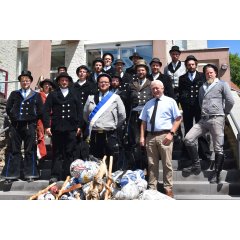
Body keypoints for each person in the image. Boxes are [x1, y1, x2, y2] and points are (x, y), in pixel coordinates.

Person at [183, 64, 235, 183]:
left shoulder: (222, 84)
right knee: (188, 138)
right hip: (204, 120)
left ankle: (217, 174)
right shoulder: (202, 87)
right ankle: (196, 164)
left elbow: (230, 101)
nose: (209, 74)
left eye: (211, 72)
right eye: (207, 73)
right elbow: (201, 102)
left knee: (218, 148)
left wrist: (224, 113)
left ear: (215, 73)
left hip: (217, 118)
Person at [139, 80, 182, 198]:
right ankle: (152, 188)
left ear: (163, 88)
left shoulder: (170, 101)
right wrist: (142, 137)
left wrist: (171, 133)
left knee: (167, 164)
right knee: (152, 164)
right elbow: (143, 122)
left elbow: (178, 118)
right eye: (153, 89)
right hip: (150, 137)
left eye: (158, 88)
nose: (155, 90)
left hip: (165, 136)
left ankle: (168, 188)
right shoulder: (148, 103)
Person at [1, 70, 43, 183]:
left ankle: (30, 174)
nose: (25, 82)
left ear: (30, 82)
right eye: (23, 80)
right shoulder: (14, 94)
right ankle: (11, 175)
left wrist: (33, 119)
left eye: (27, 80)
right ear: (20, 82)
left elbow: (40, 111)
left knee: (30, 150)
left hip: (30, 125)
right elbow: (9, 108)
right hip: (16, 125)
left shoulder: (36, 95)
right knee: (14, 149)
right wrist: (15, 117)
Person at [43, 72, 83, 183]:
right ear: (59, 82)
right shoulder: (53, 94)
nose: (64, 82)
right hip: (57, 128)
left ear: (68, 82)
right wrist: (47, 126)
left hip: (71, 128)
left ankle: (68, 175)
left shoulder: (74, 93)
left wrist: (79, 125)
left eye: (66, 80)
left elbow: (80, 110)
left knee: (70, 152)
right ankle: (55, 175)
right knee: (57, 152)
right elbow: (45, 111)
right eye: (62, 80)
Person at [83, 73, 126, 171]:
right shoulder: (91, 98)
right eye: (101, 82)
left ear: (110, 84)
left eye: (106, 82)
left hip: (110, 133)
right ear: (98, 84)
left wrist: (114, 125)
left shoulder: (115, 98)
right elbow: (85, 114)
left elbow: (122, 115)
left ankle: (110, 182)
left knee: (112, 159)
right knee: (95, 160)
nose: (103, 84)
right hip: (94, 134)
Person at [178, 55, 211, 163]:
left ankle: (204, 153)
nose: (191, 66)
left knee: (201, 129)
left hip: (199, 107)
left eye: (192, 64)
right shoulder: (182, 78)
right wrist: (183, 102)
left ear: (196, 65)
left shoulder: (202, 76)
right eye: (188, 64)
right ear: (186, 66)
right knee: (187, 129)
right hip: (187, 107)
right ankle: (187, 153)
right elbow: (181, 92)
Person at [128, 59, 153, 170]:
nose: (141, 72)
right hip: (134, 116)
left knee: (147, 141)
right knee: (136, 141)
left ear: (146, 71)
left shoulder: (151, 84)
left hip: (147, 116)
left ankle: (148, 167)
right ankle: (137, 167)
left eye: (142, 70)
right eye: (139, 70)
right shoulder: (132, 84)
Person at [164, 45, 186, 141]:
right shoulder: (166, 67)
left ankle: (187, 132)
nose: (175, 56)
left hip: (182, 91)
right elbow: (165, 80)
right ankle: (177, 132)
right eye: (173, 54)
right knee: (174, 113)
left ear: (179, 55)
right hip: (172, 93)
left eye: (177, 54)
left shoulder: (184, 65)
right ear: (170, 54)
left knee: (185, 112)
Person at [36, 78, 55, 160]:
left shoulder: (53, 95)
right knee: (40, 136)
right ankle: (42, 155)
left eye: (48, 84)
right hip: (40, 118)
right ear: (42, 86)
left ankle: (54, 154)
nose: (47, 86)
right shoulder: (38, 95)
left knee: (53, 135)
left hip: (51, 117)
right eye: (45, 84)